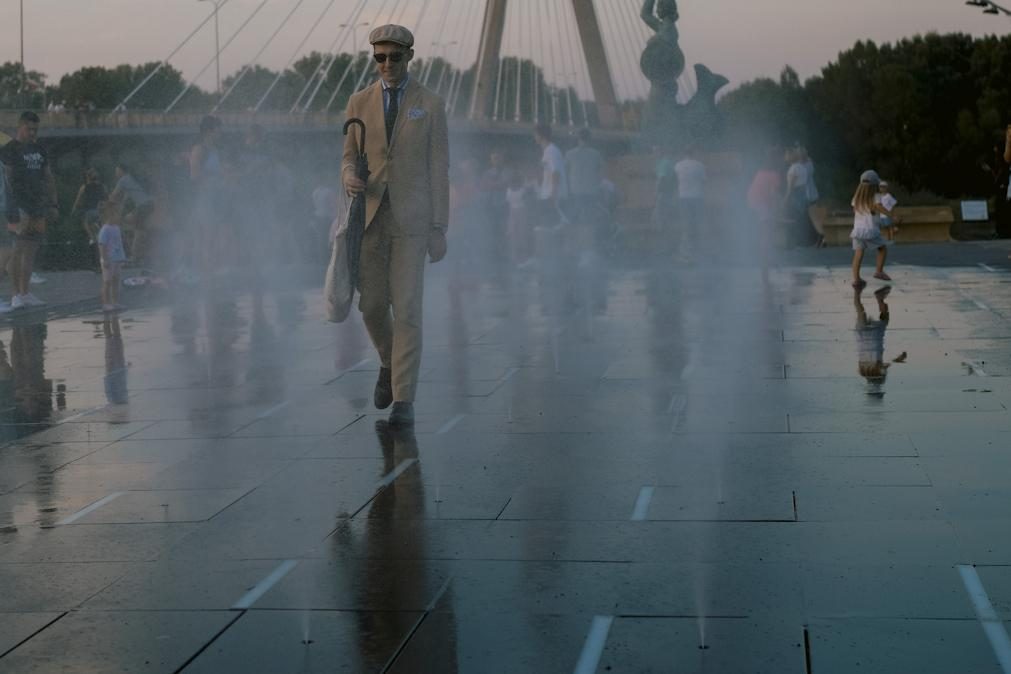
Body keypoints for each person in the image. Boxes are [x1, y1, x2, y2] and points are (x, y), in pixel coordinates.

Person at [342, 24, 450, 427]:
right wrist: (349, 175)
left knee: (406, 308)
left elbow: (440, 167)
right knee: (370, 305)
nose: (387, 64)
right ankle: (388, 362)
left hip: (413, 220)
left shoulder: (431, 104)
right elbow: (348, 156)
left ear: (410, 57)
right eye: (380, 58)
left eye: (395, 57)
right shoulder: (358, 101)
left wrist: (439, 226)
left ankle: (404, 398)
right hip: (369, 217)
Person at [0, 112, 56, 310]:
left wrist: (53, 203)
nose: (32, 133)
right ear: (20, 127)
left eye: (35, 129)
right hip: (19, 205)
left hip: (37, 204)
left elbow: (48, 176)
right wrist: (14, 207)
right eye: (28, 129)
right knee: (17, 250)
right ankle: (15, 294)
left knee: (31, 250)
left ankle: (25, 292)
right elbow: (8, 179)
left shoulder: (39, 148)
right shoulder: (10, 149)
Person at [850, 170, 893, 289]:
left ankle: (856, 279)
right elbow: (878, 207)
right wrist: (890, 214)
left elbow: (855, 211)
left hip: (858, 231)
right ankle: (879, 271)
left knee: (858, 254)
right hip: (870, 230)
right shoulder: (876, 196)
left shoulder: (856, 198)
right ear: (874, 186)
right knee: (882, 248)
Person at [108, 162, 154, 263]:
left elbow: (113, 196)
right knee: (137, 227)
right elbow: (125, 200)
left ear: (121, 171)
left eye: (117, 170)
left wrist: (106, 203)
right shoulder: (132, 178)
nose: (116, 173)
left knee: (138, 230)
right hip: (150, 204)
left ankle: (134, 257)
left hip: (143, 206)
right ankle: (143, 253)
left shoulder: (123, 180)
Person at [565, 128, 605, 238]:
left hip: (575, 190)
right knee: (589, 218)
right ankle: (589, 243)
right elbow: (600, 173)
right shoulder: (596, 154)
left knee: (576, 217)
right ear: (590, 139)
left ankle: (579, 243)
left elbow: (565, 172)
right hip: (592, 190)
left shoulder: (569, 154)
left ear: (578, 139)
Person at [674, 144, 707, 255]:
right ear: (693, 153)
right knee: (699, 223)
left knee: (686, 224)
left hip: (683, 197)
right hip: (697, 197)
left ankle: (686, 251)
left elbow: (675, 181)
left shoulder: (678, 165)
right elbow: (704, 182)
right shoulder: (700, 165)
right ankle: (701, 249)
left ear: (684, 154)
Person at [534, 124, 568, 228]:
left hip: (553, 194)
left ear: (541, 136)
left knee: (556, 224)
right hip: (548, 193)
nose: (534, 137)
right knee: (550, 225)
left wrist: (553, 192)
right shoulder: (547, 151)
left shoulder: (551, 150)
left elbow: (555, 172)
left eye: (535, 135)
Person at [782, 147, 817, 246]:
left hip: (796, 194)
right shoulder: (802, 167)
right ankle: (807, 240)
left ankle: (799, 241)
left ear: (791, 155)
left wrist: (785, 199)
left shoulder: (793, 168)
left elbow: (790, 187)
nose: (785, 157)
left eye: (787, 154)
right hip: (803, 193)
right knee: (803, 217)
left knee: (797, 218)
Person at [97, 201, 127, 312]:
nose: (119, 216)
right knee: (107, 282)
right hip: (108, 260)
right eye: (117, 214)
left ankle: (115, 302)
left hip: (117, 259)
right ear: (110, 215)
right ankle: (105, 303)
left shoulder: (117, 228)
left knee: (116, 281)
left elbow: (119, 244)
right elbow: (102, 245)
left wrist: (122, 258)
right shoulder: (105, 229)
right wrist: (105, 259)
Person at [71, 167, 108, 245]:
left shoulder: (84, 187)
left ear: (88, 177)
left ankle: (92, 238)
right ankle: (100, 234)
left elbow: (77, 201)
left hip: (90, 212)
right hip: (101, 211)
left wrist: (73, 210)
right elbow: (106, 199)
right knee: (95, 222)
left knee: (85, 221)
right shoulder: (103, 186)